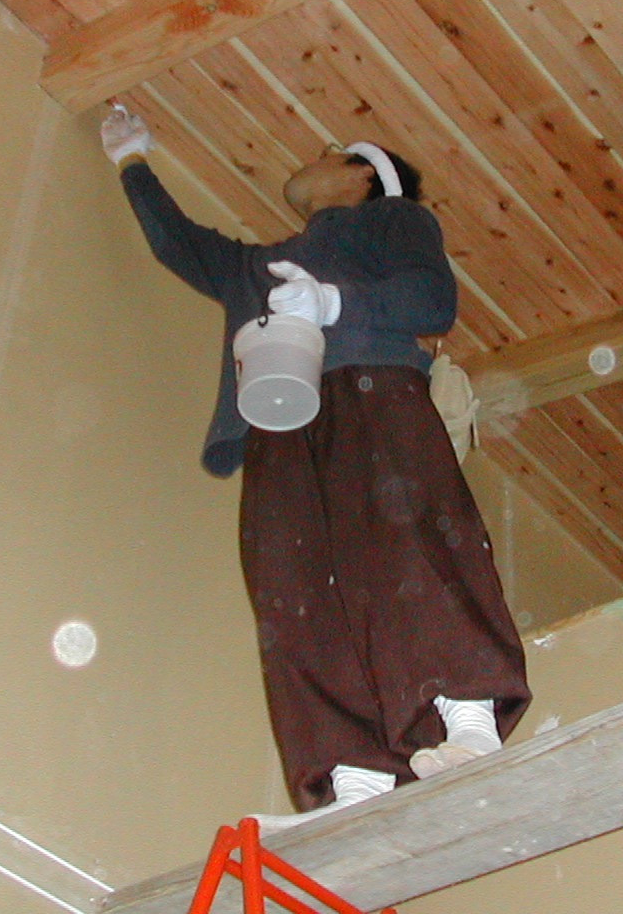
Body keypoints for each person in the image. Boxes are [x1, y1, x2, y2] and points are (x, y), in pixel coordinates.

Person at [100, 105, 530, 827]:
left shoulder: (393, 220)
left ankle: (468, 723)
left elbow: (433, 299)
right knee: (296, 595)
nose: (315, 155)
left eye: (333, 149)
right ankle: (353, 777)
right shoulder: (260, 268)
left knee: (407, 545)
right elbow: (179, 244)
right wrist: (131, 162)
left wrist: (332, 302)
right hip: (277, 426)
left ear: (366, 175)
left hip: (373, 391)